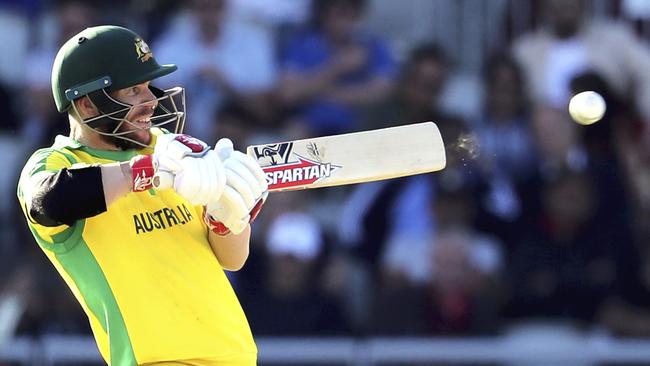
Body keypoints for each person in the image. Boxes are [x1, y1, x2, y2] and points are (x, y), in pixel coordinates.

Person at [16, 25, 268, 366]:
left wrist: (229, 216)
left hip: (234, 354)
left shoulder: (172, 150)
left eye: (148, 87)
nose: (150, 101)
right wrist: (144, 172)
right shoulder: (60, 163)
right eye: (133, 91)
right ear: (88, 105)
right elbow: (45, 201)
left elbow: (231, 260)